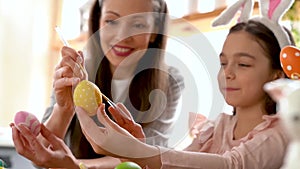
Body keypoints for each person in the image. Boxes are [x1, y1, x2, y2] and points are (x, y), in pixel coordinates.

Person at [73, 19, 296, 169]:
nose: (227, 73)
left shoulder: (282, 134)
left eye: (243, 64)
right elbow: (180, 163)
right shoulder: (218, 128)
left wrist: (139, 151)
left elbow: (230, 165)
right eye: (223, 62)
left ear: (277, 75)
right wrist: (136, 145)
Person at [11, 0, 183, 168]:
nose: (122, 36)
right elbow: (41, 157)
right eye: (111, 21)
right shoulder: (74, 72)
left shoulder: (169, 82)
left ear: (155, 32)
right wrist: (63, 109)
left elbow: (150, 157)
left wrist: (74, 166)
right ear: (98, 22)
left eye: (138, 25)